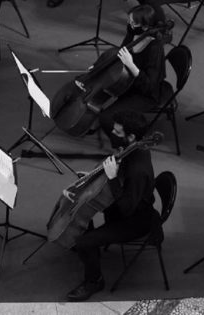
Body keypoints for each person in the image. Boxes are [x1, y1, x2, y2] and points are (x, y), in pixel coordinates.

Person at [65, 109, 158, 301]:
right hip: (124, 206)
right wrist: (93, 179)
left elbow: (126, 209)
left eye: (117, 133)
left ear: (131, 137)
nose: (112, 135)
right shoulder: (133, 149)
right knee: (84, 207)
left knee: (84, 241)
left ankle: (94, 281)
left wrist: (112, 178)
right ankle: (88, 249)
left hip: (134, 222)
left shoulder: (138, 170)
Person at [94, 5, 171, 135]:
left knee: (106, 118)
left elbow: (149, 86)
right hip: (125, 82)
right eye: (129, 21)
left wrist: (131, 65)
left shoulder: (155, 49)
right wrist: (100, 66)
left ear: (145, 26)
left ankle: (123, 146)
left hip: (144, 94)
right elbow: (119, 53)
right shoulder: (133, 31)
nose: (130, 25)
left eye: (133, 23)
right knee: (95, 90)